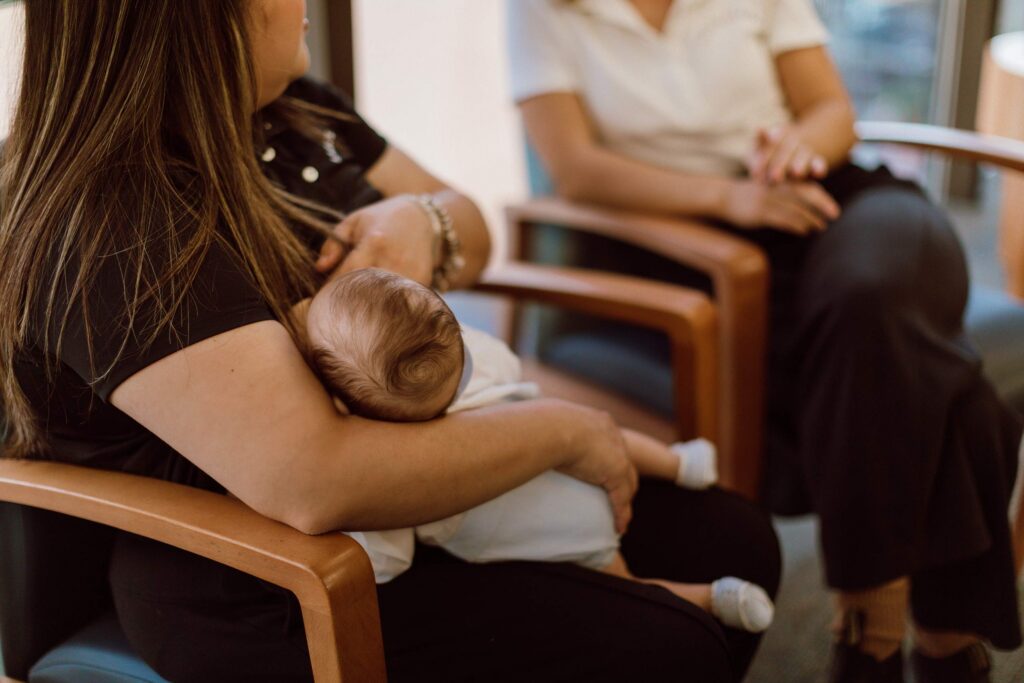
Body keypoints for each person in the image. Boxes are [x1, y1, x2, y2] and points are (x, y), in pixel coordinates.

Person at [0, 1, 780, 681]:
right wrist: (563, 432)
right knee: (668, 646)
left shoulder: (298, 112)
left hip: (402, 489)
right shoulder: (117, 224)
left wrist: (424, 222)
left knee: (734, 539)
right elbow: (314, 477)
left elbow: (473, 228)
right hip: (275, 571)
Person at [506, 1, 1022, 681]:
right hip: (699, 242)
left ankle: (868, 624)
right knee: (945, 382)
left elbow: (832, 111)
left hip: (834, 204)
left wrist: (801, 145)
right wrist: (728, 199)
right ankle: (946, 642)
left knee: (872, 298)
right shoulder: (543, 11)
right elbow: (575, 167)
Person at [299, 266, 774, 633]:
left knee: (625, 586)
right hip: (585, 453)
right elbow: (505, 362)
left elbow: (388, 561)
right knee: (607, 433)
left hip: (565, 534)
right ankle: (679, 463)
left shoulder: (402, 485)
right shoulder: (478, 364)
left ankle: (712, 599)